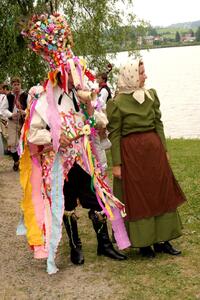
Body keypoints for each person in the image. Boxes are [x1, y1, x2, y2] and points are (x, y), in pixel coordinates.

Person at [18, 13, 130, 274]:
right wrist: (56, 137)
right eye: (68, 71)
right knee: (66, 203)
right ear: (58, 72)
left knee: (95, 199)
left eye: (74, 70)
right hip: (59, 163)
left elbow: (97, 118)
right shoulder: (43, 99)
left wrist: (95, 114)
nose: (72, 75)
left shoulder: (81, 96)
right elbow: (33, 134)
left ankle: (104, 243)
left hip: (84, 157)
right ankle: (76, 246)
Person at [107, 58, 186, 258]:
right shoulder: (116, 103)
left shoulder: (151, 96)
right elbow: (114, 134)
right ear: (131, 76)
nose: (145, 76)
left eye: (144, 72)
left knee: (159, 192)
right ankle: (144, 243)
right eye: (142, 73)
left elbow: (158, 123)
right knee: (139, 197)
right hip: (132, 155)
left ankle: (163, 240)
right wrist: (117, 164)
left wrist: (164, 149)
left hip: (154, 152)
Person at [1, 77, 28, 170]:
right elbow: (3, 109)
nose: (16, 86)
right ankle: (16, 161)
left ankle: (24, 162)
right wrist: (11, 115)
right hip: (12, 121)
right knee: (12, 143)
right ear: (12, 86)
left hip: (24, 121)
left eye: (18, 84)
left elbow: (31, 108)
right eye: (14, 85)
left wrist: (24, 112)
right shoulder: (8, 96)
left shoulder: (26, 95)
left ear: (21, 85)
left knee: (25, 142)